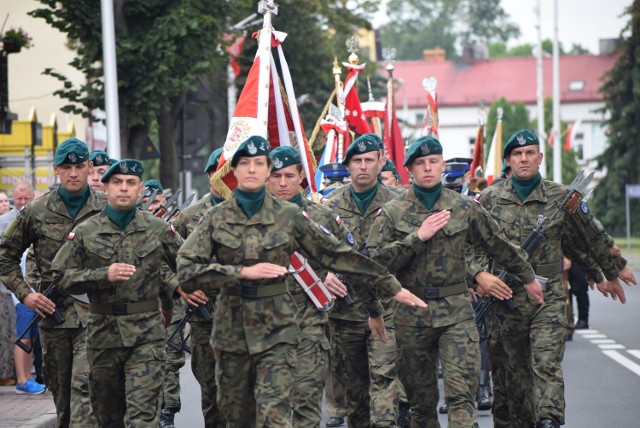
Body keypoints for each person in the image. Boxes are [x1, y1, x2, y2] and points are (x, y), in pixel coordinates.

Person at [177, 135, 425, 427]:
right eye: (247, 165)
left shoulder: (293, 216)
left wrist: (389, 288)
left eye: (260, 164)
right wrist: (239, 273)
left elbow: (341, 256)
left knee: (288, 410)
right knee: (239, 414)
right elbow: (186, 269)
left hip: (292, 325)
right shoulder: (218, 218)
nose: (277, 181)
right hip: (237, 328)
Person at [366, 135, 542, 427]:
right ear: (409, 170)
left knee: (462, 399)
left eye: (433, 161)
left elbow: (498, 244)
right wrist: (415, 238)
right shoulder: (393, 212)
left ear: (442, 165)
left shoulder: (463, 207)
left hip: (456, 314)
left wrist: (527, 276)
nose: (427, 168)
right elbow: (374, 263)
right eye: (420, 163)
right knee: (421, 407)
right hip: (413, 315)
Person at [477, 129, 627, 428]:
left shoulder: (560, 197)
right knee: (513, 378)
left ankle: (550, 421)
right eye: (517, 154)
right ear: (508, 160)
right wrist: (480, 276)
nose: (524, 159)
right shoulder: (490, 198)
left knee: (545, 364)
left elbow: (589, 234)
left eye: (530, 153)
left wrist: (614, 269)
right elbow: (472, 244)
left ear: (540, 158)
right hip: (505, 301)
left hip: (548, 298)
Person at [51, 159, 182, 427]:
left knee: (142, 417)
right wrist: (102, 275)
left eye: (130, 183)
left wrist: (181, 288)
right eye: (117, 183)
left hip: (146, 335)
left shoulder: (157, 229)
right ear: (106, 187)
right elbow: (61, 276)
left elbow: (189, 264)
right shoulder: (86, 232)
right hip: (102, 335)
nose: (124, 188)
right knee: (107, 416)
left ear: (140, 189)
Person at [0, 138, 103, 427]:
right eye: (67, 167)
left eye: (80, 167)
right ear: (56, 169)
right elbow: (5, 258)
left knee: (86, 390)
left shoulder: (108, 209)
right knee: (64, 401)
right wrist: (26, 295)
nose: (73, 174)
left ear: (89, 168)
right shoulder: (36, 211)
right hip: (54, 318)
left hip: (98, 317)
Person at [323, 133, 407, 428]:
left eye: (369, 160)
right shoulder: (328, 206)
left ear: (381, 161)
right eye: (356, 161)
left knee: (385, 379)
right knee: (355, 394)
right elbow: (308, 250)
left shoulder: (400, 203)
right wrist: (325, 274)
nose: (362, 166)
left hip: (387, 310)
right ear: (347, 166)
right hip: (344, 314)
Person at [268, 146, 353, 427]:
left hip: (309, 326)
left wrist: (330, 274)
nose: (283, 183)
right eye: (276, 175)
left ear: (302, 175)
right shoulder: (249, 220)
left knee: (305, 404)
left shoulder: (321, 217)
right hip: (263, 328)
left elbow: (348, 260)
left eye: (289, 176)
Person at [165, 148, 226, 428]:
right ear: (210, 175)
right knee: (212, 390)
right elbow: (164, 261)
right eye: (220, 171)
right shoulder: (188, 218)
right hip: (205, 317)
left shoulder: (255, 212)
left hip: (248, 314)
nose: (226, 177)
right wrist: (180, 286)